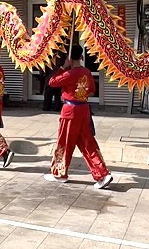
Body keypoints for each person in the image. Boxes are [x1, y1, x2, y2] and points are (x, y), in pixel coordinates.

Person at [44, 45, 113, 189]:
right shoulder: (87, 72)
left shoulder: (69, 74)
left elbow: (52, 82)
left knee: (64, 142)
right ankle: (102, 174)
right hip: (84, 110)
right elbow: (92, 91)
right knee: (88, 144)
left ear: (69, 57)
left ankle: (60, 172)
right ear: (81, 57)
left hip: (70, 111)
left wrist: (63, 67)